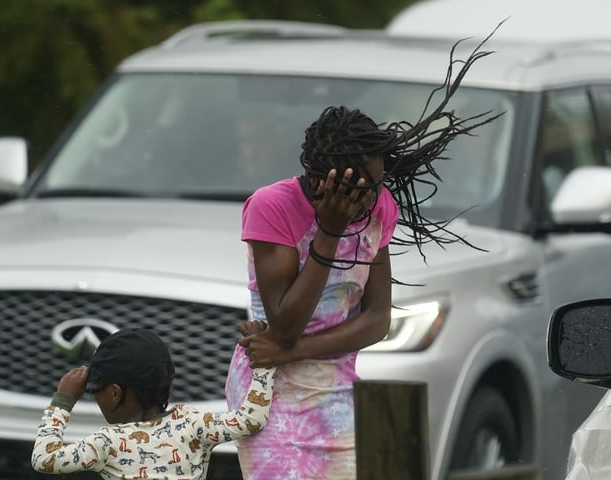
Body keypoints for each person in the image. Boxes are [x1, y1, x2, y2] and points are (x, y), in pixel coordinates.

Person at [224, 36, 503, 479]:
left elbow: (375, 320)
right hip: (269, 399)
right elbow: (284, 324)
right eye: (364, 185)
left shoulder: (379, 209)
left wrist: (290, 352)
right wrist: (330, 232)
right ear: (322, 179)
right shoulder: (272, 206)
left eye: (378, 183)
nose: (375, 196)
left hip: (335, 396)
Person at [31, 325, 274, 480]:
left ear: (115, 392)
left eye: (95, 389)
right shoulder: (192, 424)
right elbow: (251, 419)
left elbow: (43, 460)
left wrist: (62, 402)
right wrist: (264, 362)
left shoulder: (107, 443)